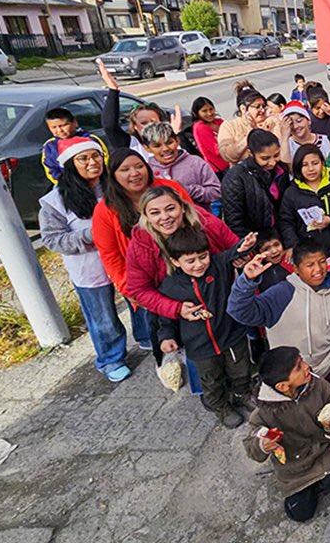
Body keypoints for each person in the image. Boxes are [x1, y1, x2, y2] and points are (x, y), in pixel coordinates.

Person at [39, 137, 130, 382]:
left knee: (139, 302)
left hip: (124, 259)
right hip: (90, 268)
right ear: (71, 164)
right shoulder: (55, 200)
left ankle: (145, 338)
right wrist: (93, 235)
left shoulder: (115, 186)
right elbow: (52, 239)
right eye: (84, 158)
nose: (93, 162)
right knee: (102, 318)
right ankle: (111, 359)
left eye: (96, 156)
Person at [126, 185, 239, 368]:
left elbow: (234, 247)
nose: (165, 217)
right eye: (155, 213)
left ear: (183, 207)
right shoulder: (141, 243)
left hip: (217, 301)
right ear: (145, 216)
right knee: (199, 370)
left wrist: (241, 258)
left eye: (170, 208)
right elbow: (139, 289)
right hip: (170, 311)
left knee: (235, 360)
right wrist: (176, 309)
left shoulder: (206, 224)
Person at [91, 149, 187, 359]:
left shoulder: (170, 189)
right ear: (113, 175)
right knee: (163, 337)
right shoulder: (105, 210)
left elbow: (199, 222)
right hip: (147, 283)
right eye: (125, 169)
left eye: (139, 166)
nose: (134, 173)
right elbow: (110, 256)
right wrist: (132, 290)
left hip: (187, 271)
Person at [157, 227, 257, 428]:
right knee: (211, 380)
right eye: (190, 261)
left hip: (232, 335)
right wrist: (166, 336)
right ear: (175, 262)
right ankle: (220, 406)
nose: (199, 264)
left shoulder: (218, 265)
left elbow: (235, 251)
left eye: (203, 257)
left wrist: (245, 245)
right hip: (200, 346)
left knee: (240, 370)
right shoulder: (170, 286)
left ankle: (242, 394)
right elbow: (165, 317)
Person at [228, 237, 330, 383]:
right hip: (294, 379)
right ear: (296, 269)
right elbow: (238, 311)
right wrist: (246, 281)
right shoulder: (281, 294)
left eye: (322, 261)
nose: (318, 269)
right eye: (310, 265)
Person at [244, 346, 330, 523]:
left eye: (302, 360)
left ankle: (315, 484)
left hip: (323, 448)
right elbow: (251, 445)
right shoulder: (263, 412)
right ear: (283, 386)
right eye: (299, 367)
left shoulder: (317, 384)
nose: (307, 366)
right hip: (294, 465)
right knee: (300, 514)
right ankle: (305, 487)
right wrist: (263, 445)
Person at [279, 144, 330, 255]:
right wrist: (293, 246)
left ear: (322, 163)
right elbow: (286, 222)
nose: (311, 169)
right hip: (309, 250)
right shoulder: (292, 192)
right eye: (305, 165)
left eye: (315, 163)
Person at [98, 61, 178, 160]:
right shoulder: (131, 144)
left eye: (153, 122)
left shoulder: (173, 142)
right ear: (135, 126)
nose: (149, 126)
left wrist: (177, 135)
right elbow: (109, 126)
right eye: (144, 123)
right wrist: (113, 90)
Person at [221, 129, 288, 239]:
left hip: (279, 235)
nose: (272, 162)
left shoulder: (281, 170)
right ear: (251, 153)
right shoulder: (235, 177)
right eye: (265, 158)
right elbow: (234, 222)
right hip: (253, 239)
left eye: (276, 155)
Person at [141, 122, 221, 206]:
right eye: (157, 146)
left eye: (169, 142)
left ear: (177, 140)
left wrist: (185, 189)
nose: (165, 149)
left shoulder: (196, 163)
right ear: (147, 148)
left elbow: (216, 193)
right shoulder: (147, 170)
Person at [217, 81, 289, 165]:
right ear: (243, 109)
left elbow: (279, 149)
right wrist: (250, 135)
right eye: (257, 107)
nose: (262, 110)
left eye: (263, 106)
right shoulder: (229, 126)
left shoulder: (272, 121)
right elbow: (228, 156)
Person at [41, 107, 107, 184]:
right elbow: (51, 170)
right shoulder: (50, 146)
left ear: (75, 122)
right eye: (54, 127)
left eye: (63, 125)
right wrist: (66, 184)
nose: (59, 130)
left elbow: (105, 161)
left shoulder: (90, 139)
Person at [190, 97, 229, 177]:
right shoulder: (200, 127)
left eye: (211, 109)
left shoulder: (219, 122)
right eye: (204, 111)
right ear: (197, 113)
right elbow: (216, 150)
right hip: (220, 168)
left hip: (229, 161)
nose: (209, 113)